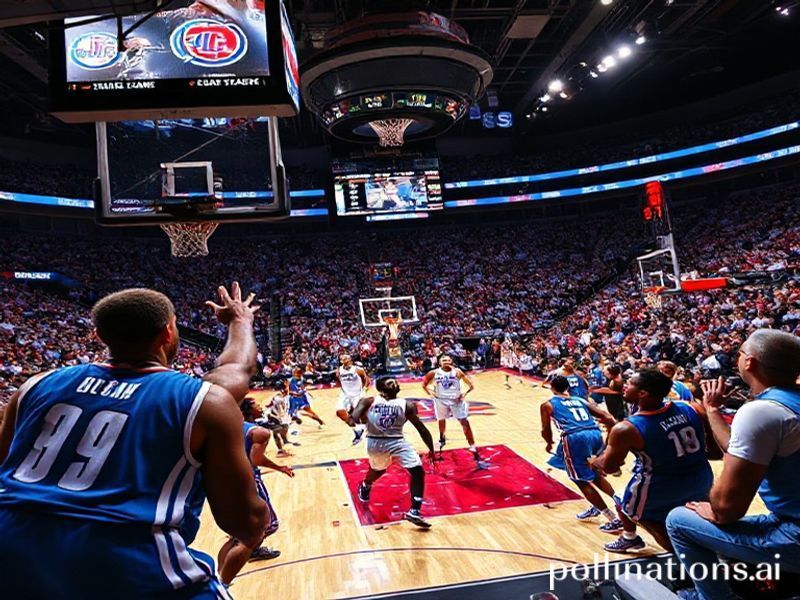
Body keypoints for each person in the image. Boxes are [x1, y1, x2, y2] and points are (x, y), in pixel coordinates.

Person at [0, 283, 267, 598]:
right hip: (123, 558)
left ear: (99, 336)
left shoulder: (35, 385)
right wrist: (241, 320)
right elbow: (245, 524)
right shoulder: (203, 402)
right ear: (168, 332)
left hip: (12, 547)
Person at [666, 330, 800, 600]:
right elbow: (741, 448)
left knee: (679, 520)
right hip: (788, 518)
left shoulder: (761, 412)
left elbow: (726, 510)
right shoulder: (785, 404)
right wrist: (713, 410)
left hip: (794, 533)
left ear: (749, 362)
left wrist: (712, 508)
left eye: (738, 353)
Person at [590, 369, 713, 553]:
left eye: (630, 383)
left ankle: (689, 560)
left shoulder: (626, 428)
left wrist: (596, 461)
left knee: (634, 511)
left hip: (661, 485)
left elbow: (610, 467)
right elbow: (715, 452)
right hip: (702, 477)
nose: (625, 386)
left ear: (642, 393)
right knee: (697, 514)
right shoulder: (691, 407)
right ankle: (718, 552)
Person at [217, 398, 294, 586]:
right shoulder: (259, 432)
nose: (261, 407)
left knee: (238, 532)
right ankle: (224, 582)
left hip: (225, 480)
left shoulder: (229, 426)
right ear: (248, 411)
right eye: (257, 406)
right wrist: (280, 467)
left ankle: (217, 574)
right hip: (248, 480)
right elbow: (256, 459)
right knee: (266, 526)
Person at [351, 377, 436, 528]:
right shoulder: (369, 401)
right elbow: (354, 417)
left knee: (417, 470)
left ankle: (414, 511)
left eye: (395, 382)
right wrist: (357, 416)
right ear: (381, 389)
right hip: (376, 441)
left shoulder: (406, 405)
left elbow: (421, 428)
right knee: (378, 471)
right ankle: (366, 484)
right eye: (391, 383)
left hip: (397, 441)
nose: (395, 384)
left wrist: (432, 449)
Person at [540, 376, 621, 532]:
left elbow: (545, 429)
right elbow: (607, 416)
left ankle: (612, 518)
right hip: (594, 433)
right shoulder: (580, 400)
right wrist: (608, 440)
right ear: (568, 388)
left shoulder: (548, 404)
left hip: (574, 437)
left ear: (552, 387)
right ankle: (619, 503)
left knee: (579, 479)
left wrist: (549, 442)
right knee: (593, 471)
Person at [421, 355, 485, 467]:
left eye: (448, 360)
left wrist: (464, 393)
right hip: (440, 400)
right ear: (439, 362)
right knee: (441, 420)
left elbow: (470, 385)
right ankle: (442, 437)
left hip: (456, 401)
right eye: (443, 360)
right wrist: (431, 393)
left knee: (464, 422)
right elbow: (424, 385)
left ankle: (472, 444)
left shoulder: (457, 372)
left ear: (452, 361)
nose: (446, 361)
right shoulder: (434, 373)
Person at [334, 354, 370, 445]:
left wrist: (364, 389)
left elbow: (367, 380)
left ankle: (364, 430)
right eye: (341, 358)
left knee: (361, 415)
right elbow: (339, 381)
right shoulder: (339, 370)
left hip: (357, 394)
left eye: (344, 358)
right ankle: (357, 428)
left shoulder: (358, 370)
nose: (342, 359)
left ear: (350, 360)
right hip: (345, 394)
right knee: (339, 412)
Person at [262, 382, 292, 457]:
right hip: (273, 417)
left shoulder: (283, 396)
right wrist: (278, 418)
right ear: (282, 389)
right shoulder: (278, 398)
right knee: (276, 433)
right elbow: (271, 409)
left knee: (285, 428)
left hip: (281, 416)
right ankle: (280, 451)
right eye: (286, 387)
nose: (288, 389)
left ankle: (285, 441)